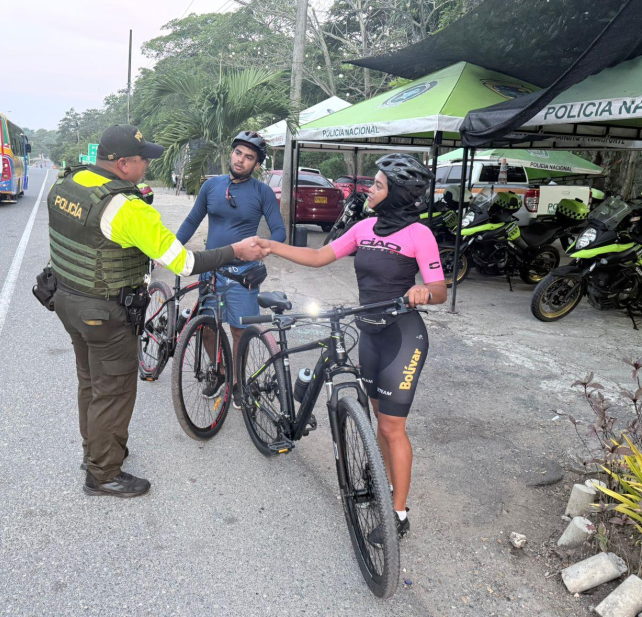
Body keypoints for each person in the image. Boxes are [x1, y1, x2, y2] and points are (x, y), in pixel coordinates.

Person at [48, 124, 266, 498]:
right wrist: (235, 252)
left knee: (91, 382)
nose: (147, 165)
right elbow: (181, 262)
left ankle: (94, 452)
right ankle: (103, 474)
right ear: (122, 164)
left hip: (67, 299)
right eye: (142, 159)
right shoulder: (128, 209)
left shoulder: (69, 183)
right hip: (104, 312)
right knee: (114, 391)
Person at [257, 154, 447, 541]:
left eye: (378, 185)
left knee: (393, 426)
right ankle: (381, 480)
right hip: (369, 333)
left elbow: (440, 289)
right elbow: (318, 256)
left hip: (402, 336)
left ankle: (398, 514)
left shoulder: (418, 235)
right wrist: (272, 247)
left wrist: (422, 290)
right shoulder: (364, 227)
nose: (370, 190)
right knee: (379, 417)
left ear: (396, 194)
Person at [176, 131, 286, 401]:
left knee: (240, 331)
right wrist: (172, 249)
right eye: (238, 153)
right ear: (231, 153)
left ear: (257, 165)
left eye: (249, 157)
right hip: (211, 269)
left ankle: (238, 381)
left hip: (242, 276)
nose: (241, 160)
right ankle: (220, 371)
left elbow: (279, 232)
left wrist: (261, 251)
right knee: (207, 327)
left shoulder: (263, 192)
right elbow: (192, 221)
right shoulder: (211, 186)